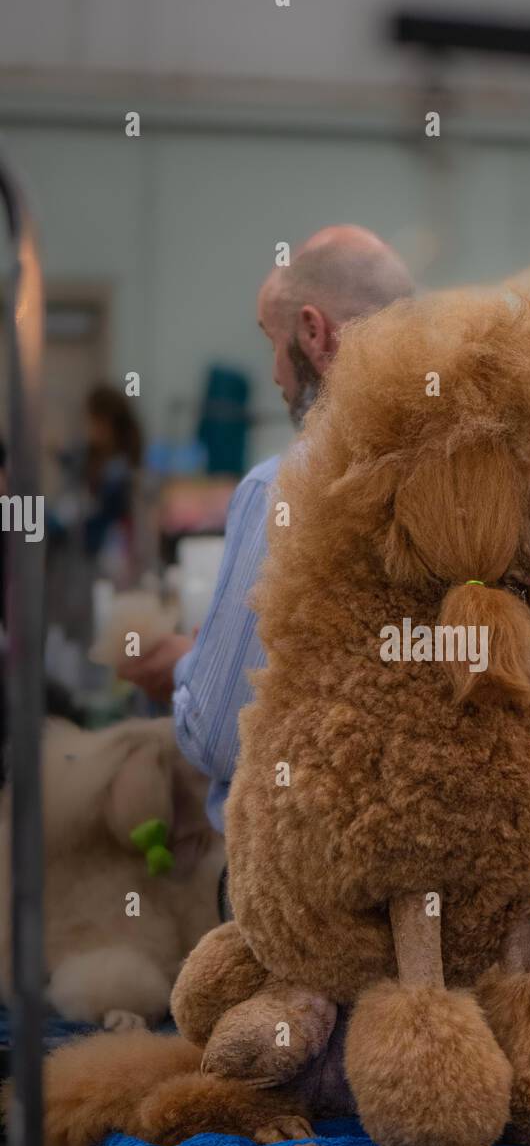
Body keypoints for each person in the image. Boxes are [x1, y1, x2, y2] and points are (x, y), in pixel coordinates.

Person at [119, 225, 413, 830]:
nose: (277, 373)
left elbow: (226, 739)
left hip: (306, 892)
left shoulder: (283, 489)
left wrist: (185, 668)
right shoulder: (479, 484)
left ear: (313, 331)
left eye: (274, 342)